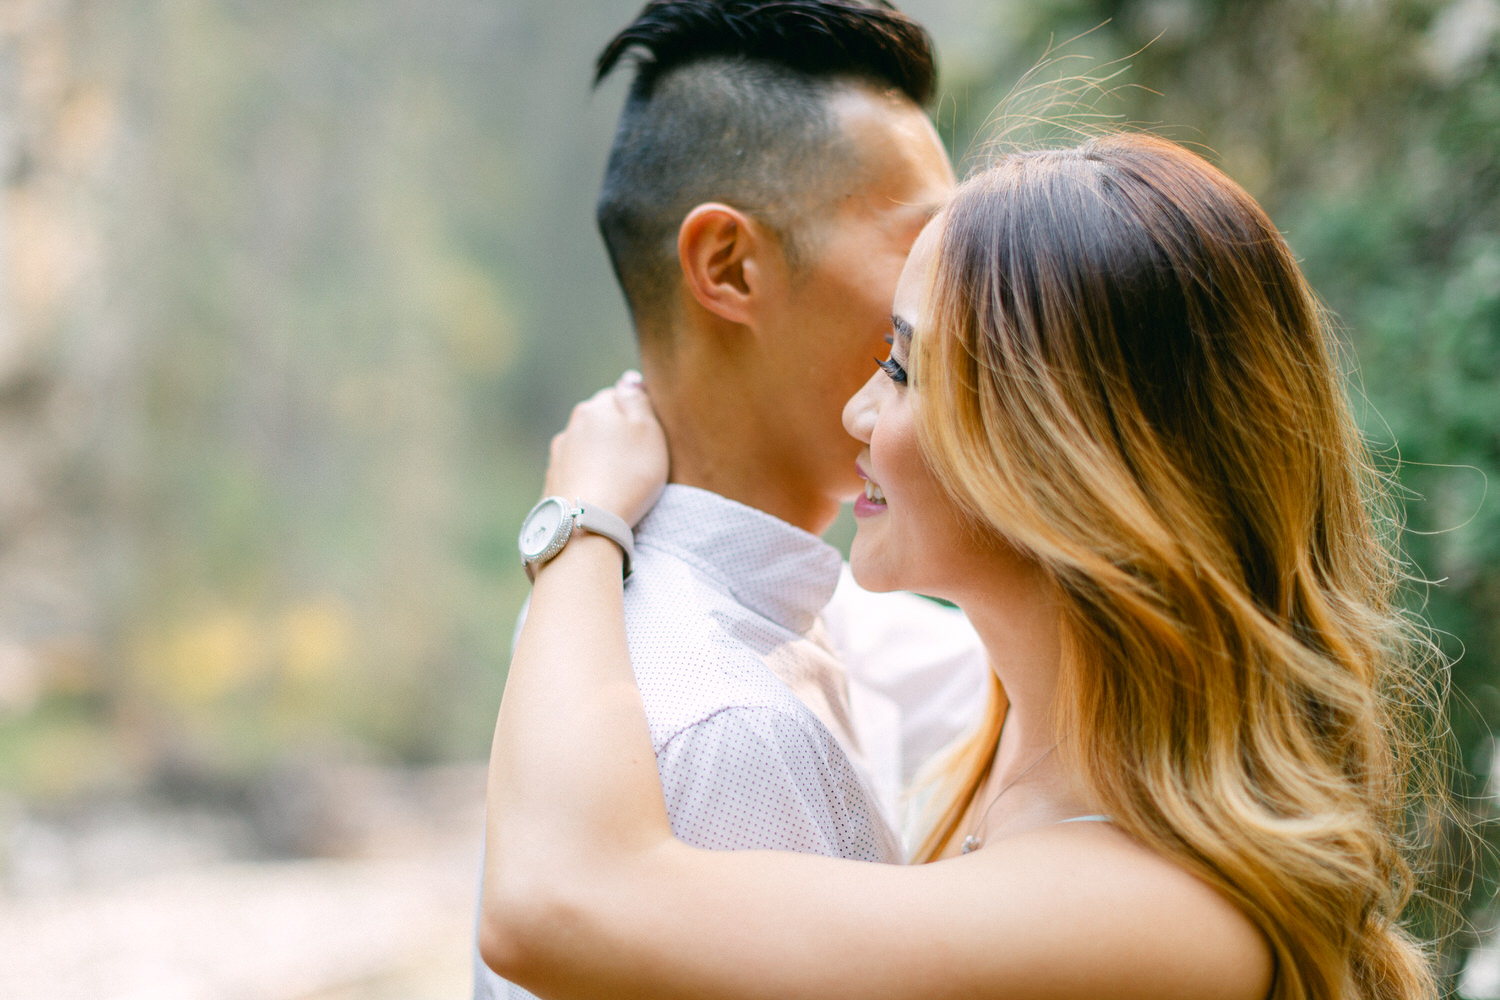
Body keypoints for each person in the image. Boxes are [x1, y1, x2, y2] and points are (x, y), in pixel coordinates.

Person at [480, 131, 1449, 1000]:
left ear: (1056, 450)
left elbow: (556, 906)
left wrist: (582, 523)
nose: (859, 412)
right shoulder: (1014, 761)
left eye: (902, 366)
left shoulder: (1155, 915)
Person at [474, 2, 994, 996]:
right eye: (925, 245)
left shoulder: (649, 612)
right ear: (729, 266)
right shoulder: (723, 721)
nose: (963, 296)